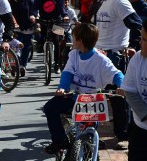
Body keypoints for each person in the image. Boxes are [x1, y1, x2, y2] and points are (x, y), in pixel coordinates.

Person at [43, 23, 124, 153]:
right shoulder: (73, 54)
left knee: (88, 136)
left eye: (73, 38)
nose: (72, 40)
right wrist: (62, 88)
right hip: (73, 96)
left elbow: (116, 74)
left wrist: (122, 86)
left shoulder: (101, 60)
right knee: (49, 108)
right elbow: (67, 73)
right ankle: (60, 141)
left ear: (80, 41)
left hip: (92, 100)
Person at [95, 0, 143, 150]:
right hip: (100, 54)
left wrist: (133, 46)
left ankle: (123, 136)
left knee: (118, 98)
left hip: (114, 55)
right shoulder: (104, 2)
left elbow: (136, 24)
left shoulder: (119, 1)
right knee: (95, 95)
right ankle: (91, 136)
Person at [120, 20, 147, 161]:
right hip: (140, 130)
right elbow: (129, 90)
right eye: (142, 38)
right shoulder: (138, 59)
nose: (141, 43)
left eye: (145, 40)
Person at [32, 0, 69, 74]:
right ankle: (41, 46)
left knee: (57, 42)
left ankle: (57, 64)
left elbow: (61, 6)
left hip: (57, 19)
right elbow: (35, 7)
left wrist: (65, 15)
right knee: (42, 36)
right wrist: (33, 15)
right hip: (44, 19)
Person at [9, 0, 34, 77]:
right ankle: (15, 65)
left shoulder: (28, 1)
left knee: (26, 47)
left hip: (28, 28)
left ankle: (23, 65)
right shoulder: (10, 3)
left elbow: (34, 11)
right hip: (16, 29)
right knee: (16, 47)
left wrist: (33, 16)